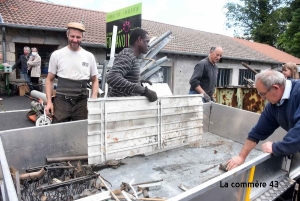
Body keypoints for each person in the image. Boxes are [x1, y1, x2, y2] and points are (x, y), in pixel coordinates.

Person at [227, 70, 300, 170]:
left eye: (263, 94)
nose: (262, 98)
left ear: (275, 88)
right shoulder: (274, 105)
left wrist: (277, 148)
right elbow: (258, 131)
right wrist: (241, 156)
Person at [45, 22, 99, 123]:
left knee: (81, 132)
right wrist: (49, 102)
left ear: (83, 37)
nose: (75, 40)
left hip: (81, 102)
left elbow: (95, 80)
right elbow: (49, 79)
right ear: (67, 35)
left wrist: (94, 98)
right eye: (72, 36)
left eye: (78, 37)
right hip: (61, 101)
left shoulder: (89, 56)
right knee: (59, 131)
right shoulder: (57, 55)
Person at [106, 28, 157, 102]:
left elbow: (126, 77)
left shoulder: (132, 56)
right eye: (147, 41)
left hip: (124, 106)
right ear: (139, 39)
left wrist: (139, 82)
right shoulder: (127, 56)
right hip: (118, 107)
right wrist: (143, 90)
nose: (148, 45)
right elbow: (112, 77)